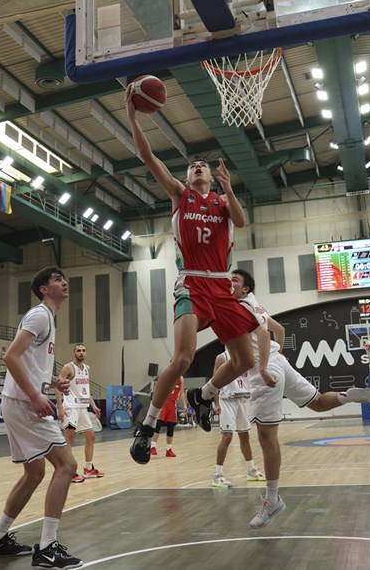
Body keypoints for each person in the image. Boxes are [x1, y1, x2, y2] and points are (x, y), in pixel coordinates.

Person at [124, 91, 267, 464]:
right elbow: (148, 157)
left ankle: (202, 395)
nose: (198, 167)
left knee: (245, 360)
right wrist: (134, 118)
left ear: (213, 178)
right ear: (187, 177)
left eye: (202, 165)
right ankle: (148, 426)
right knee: (184, 357)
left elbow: (241, 221)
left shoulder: (222, 203)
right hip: (191, 282)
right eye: (193, 166)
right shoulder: (179, 194)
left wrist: (231, 189)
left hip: (221, 284)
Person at [230, 269, 370, 528]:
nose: (229, 282)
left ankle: (272, 501)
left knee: (266, 437)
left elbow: (261, 334)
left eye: (234, 280)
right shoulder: (256, 305)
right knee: (317, 403)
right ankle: (347, 396)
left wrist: (264, 366)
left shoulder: (241, 307)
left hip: (265, 368)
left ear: (245, 289)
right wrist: (279, 356)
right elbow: (279, 329)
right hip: (279, 362)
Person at [0, 266, 82, 569]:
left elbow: (29, 363)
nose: (64, 282)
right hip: (24, 403)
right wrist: (36, 396)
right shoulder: (39, 315)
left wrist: (51, 382)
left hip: (15, 401)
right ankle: (48, 548)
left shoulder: (47, 318)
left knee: (35, 473)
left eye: (63, 279)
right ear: (43, 289)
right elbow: (10, 356)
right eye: (56, 280)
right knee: (67, 465)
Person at [211, 349, 264, 488]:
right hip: (227, 400)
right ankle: (217, 475)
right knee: (227, 436)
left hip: (243, 399)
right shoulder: (222, 357)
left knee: (245, 436)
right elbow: (214, 381)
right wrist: (216, 403)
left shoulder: (248, 354)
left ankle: (251, 470)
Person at [56, 343, 104, 484]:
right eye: (78, 351)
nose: (81, 353)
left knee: (91, 437)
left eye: (83, 350)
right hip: (71, 407)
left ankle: (88, 469)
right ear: (74, 353)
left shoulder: (87, 368)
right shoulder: (68, 368)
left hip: (83, 407)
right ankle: (68, 471)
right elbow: (58, 388)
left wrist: (93, 405)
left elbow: (86, 390)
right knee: (69, 440)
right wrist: (59, 407)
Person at [152, 376, 188, 458]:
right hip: (164, 402)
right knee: (159, 424)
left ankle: (169, 449)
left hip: (172, 404)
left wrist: (184, 405)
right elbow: (159, 388)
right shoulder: (168, 374)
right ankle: (152, 446)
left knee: (170, 426)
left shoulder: (181, 378)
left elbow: (181, 392)